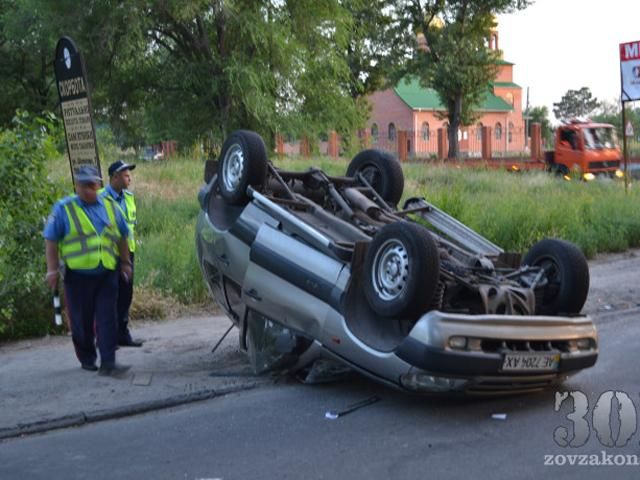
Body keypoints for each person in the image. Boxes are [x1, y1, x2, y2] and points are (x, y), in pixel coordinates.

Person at [44, 165, 132, 376]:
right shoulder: (64, 208)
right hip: (78, 276)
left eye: (92, 184)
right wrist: (52, 270)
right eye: (84, 185)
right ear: (77, 186)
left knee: (106, 318)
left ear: (99, 183)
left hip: (106, 273)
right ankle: (87, 357)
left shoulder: (110, 207)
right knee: (81, 322)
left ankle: (108, 362)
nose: (88, 189)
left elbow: (122, 236)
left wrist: (125, 263)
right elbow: (51, 239)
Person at [100, 160, 143, 347]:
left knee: (126, 294)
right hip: (108, 253)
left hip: (127, 253)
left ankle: (122, 334)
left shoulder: (129, 197)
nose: (129, 178)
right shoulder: (101, 198)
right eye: (126, 175)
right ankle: (107, 336)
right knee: (109, 295)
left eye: (129, 175)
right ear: (114, 177)